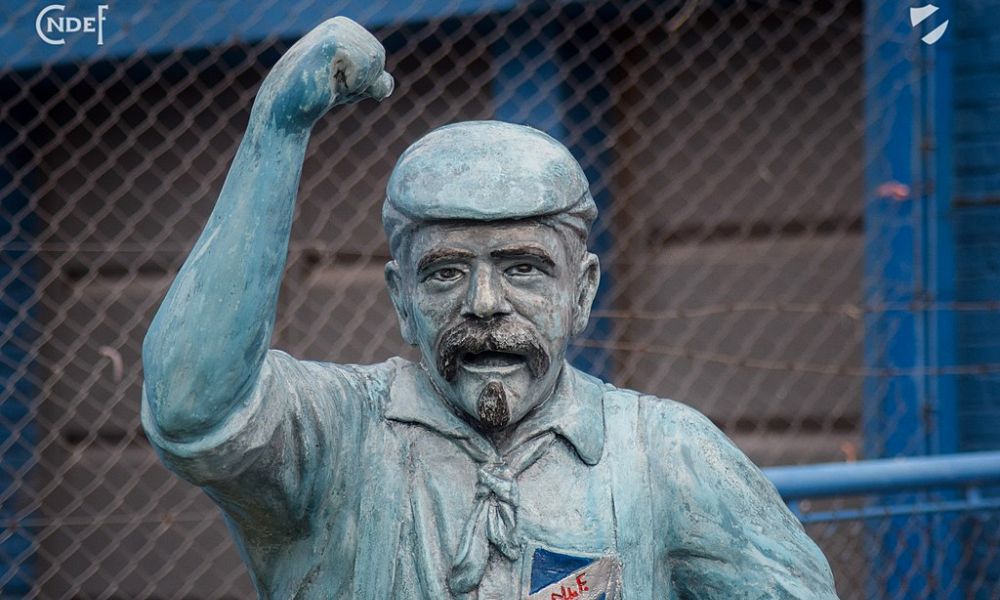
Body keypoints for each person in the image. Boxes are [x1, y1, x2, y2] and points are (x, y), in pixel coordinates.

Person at [141, 16, 838, 600]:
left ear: (582, 292)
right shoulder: (335, 437)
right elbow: (194, 410)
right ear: (401, 301)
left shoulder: (668, 457)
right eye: (445, 274)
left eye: (524, 269)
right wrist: (280, 128)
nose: (484, 304)